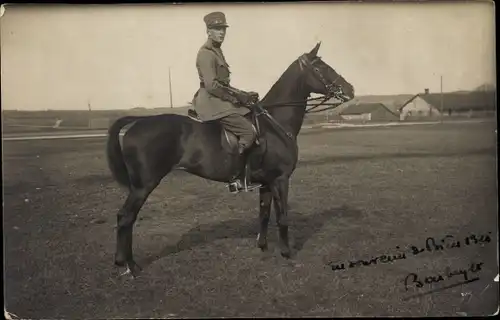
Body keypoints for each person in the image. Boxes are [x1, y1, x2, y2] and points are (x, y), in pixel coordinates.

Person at [191, 11, 262, 193]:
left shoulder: (217, 51)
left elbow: (223, 84)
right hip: (211, 102)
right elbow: (212, 86)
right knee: (248, 131)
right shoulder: (206, 54)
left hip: (218, 100)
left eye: (223, 29)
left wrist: (243, 94)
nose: (221, 33)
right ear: (208, 31)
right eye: (216, 29)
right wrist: (235, 98)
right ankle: (235, 177)